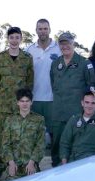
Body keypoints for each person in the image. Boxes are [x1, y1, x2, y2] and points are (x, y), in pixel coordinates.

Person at [0, 26, 34, 181]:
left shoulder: (27, 58)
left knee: (20, 137)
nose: (14, 40)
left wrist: (24, 102)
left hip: (20, 107)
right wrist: (0, 99)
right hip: (4, 107)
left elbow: (30, 82)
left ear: (21, 39)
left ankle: (18, 169)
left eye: (17, 37)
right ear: (8, 39)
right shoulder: (0, 58)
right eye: (11, 37)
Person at [50, 32, 95, 167]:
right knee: (57, 141)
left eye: (67, 43)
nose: (65, 46)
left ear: (73, 44)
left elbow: (91, 87)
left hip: (76, 111)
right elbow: (53, 84)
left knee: (75, 141)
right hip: (58, 111)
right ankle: (56, 167)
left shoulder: (84, 63)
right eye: (62, 43)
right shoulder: (55, 64)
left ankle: (75, 168)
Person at [25, 19, 61, 149]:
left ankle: (56, 165)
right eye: (40, 29)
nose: (43, 31)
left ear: (50, 30)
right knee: (34, 134)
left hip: (53, 99)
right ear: (36, 30)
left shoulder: (58, 48)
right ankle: (33, 166)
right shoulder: (29, 50)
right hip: (34, 99)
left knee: (54, 134)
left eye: (45, 28)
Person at [2, 88, 45, 180]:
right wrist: (11, 163)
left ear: (31, 102)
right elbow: (5, 144)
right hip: (14, 166)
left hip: (30, 166)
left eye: (27, 101)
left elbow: (40, 144)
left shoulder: (39, 120)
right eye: (22, 101)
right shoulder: (10, 120)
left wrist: (32, 162)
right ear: (17, 102)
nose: (24, 104)